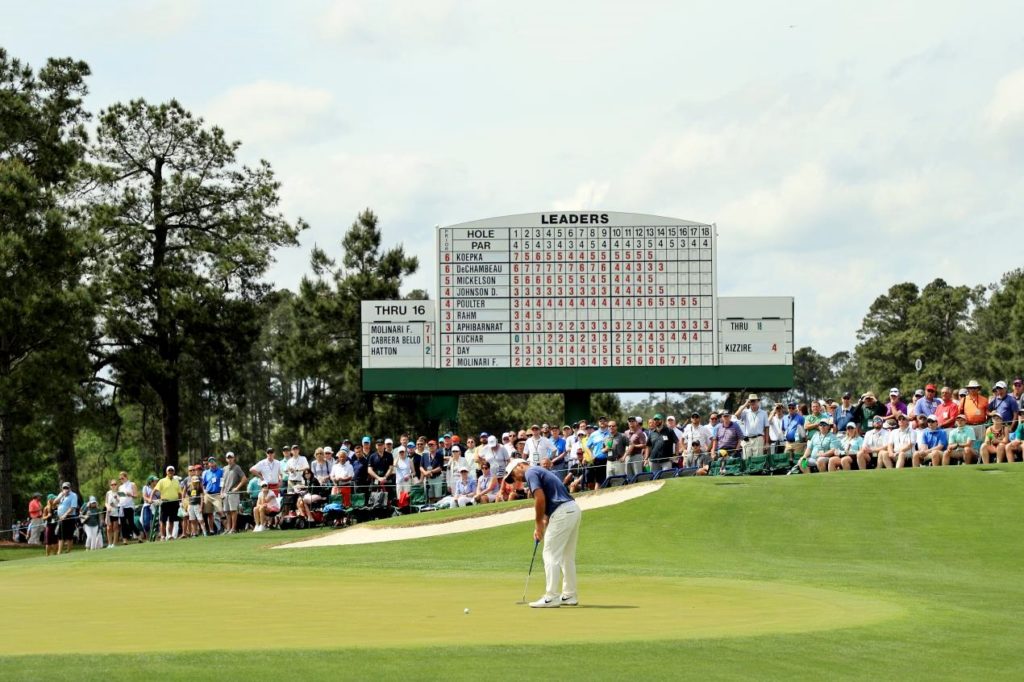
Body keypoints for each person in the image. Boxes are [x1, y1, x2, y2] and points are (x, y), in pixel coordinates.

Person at [504, 458, 581, 608]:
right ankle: (570, 594)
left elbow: (539, 498)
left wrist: (538, 524)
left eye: (513, 475)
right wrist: (543, 523)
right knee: (566, 556)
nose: (515, 479)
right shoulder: (541, 471)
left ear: (520, 466)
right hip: (572, 509)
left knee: (550, 554)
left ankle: (551, 597)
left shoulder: (530, 472)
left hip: (562, 512)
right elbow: (549, 499)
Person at [220, 452, 248, 534]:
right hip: (225, 493)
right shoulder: (224, 468)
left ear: (234, 458)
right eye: (228, 458)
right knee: (227, 511)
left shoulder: (237, 468)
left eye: (231, 457)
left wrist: (237, 488)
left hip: (233, 493)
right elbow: (222, 481)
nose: (230, 459)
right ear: (226, 459)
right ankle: (228, 528)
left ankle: (233, 528)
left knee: (233, 511)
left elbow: (244, 479)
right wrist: (221, 491)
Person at [735, 394, 769, 459]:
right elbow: (736, 415)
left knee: (758, 460)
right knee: (747, 460)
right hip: (747, 439)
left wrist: (767, 442)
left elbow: (767, 428)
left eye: (754, 400)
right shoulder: (745, 412)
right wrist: (745, 404)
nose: (752, 402)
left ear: (757, 401)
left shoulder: (764, 413)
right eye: (751, 401)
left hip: (758, 438)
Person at [155, 466, 181, 541]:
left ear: (174, 472)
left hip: (174, 502)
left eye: (172, 470)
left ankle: (169, 535)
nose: (170, 472)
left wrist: (180, 500)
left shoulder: (176, 481)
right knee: (163, 520)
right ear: (166, 472)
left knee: (172, 520)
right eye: (169, 471)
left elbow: (179, 492)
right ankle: (163, 536)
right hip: (165, 502)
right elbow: (155, 490)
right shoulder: (162, 481)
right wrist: (150, 498)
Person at [201, 457, 223, 535]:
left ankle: (223, 528)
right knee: (209, 513)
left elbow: (222, 481)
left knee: (220, 511)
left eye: (213, 461)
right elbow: (203, 484)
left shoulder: (221, 471)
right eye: (210, 462)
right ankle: (211, 530)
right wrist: (204, 492)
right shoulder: (205, 473)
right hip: (208, 495)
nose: (212, 463)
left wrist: (221, 490)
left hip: (217, 494)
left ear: (216, 462)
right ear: (208, 463)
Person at [55, 482, 79, 555]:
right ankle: (59, 551)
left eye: (67, 488)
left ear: (70, 488)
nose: (66, 489)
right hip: (61, 517)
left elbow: (73, 507)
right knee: (60, 535)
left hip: (69, 517)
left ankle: (68, 551)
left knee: (69, 535)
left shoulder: (73, 495)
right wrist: (61, 495)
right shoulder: (61, 494)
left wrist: (65, 515)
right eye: (64, 488)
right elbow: (54, 502)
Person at [183, 465, 205, 537]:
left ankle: (204, 532)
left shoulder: (199, 481)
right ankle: (194, 533)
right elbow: (184, 492)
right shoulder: (186, 481)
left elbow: (202, 494)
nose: (192, 471)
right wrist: (183, 502)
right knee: (192, 520)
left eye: (193, 470)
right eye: (190, 470)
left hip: (197, 504)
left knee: (200, 519)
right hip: (190, 504)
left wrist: (201, 506)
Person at [104, 479, 121, 548]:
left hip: (116, 512)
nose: (113, 486)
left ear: (117, 485)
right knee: (108, 528)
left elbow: (121, 502)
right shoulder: (108, 493)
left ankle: (114, 544)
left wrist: (117, 498)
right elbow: (106, 502)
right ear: (110, 486)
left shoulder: (119, 492)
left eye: (115, 484)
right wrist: (108, 506)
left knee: (115, 527)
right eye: (112, 484)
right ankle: (109, 544)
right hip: (109, 512)